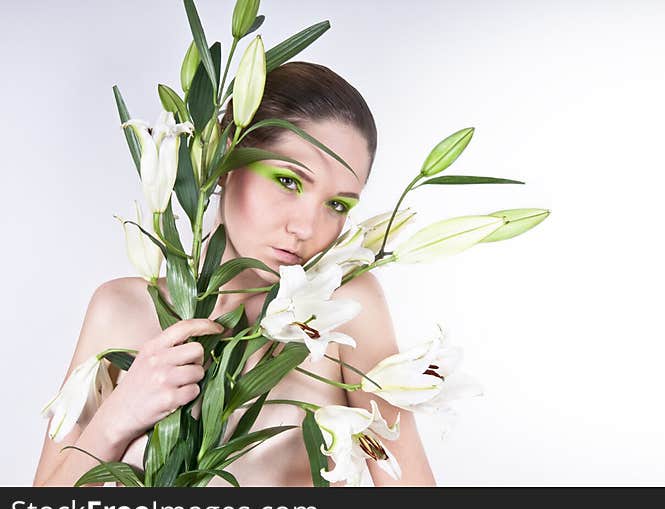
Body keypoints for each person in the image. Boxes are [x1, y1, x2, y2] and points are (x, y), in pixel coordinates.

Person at [32, 61, 437, 487]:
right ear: (227, 154)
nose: (306, 228)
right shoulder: (121, 310)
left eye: (337, 205)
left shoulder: (345, 309)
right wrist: (118, 417)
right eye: (288, 180)